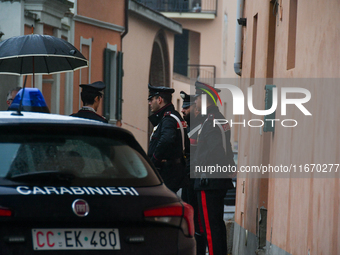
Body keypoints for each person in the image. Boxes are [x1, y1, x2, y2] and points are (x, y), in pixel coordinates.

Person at [192, 81, 235, 255]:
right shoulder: (220, 119)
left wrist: (200, 168)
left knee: (210, 228)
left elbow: (215, 152)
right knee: (217, 225)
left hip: (208, 181)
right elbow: (228, 150)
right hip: (217, 181)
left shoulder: (210, 122)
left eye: (196, 98)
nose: (195, 102)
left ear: (204, 99)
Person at [147, 84, 189, 193]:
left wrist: (154, 161)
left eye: (151, 99)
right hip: (173, 170)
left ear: (159, 99)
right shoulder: (173, 116)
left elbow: (166, 140)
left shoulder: (168, 119)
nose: (149, 103)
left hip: (167, 172)